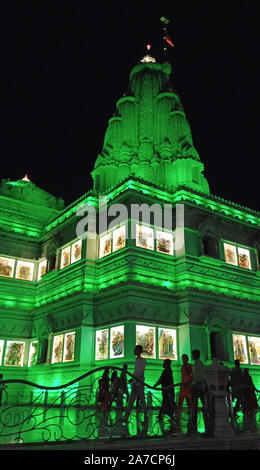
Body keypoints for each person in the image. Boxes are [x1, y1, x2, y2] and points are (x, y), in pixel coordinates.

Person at [124, 345, 148, 422]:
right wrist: (133, 379)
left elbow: (140, 373)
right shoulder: (138, 360)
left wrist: (135, 381)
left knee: (140, 401)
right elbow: (137, 372)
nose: (134, 351)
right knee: (132, 401)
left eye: (136, 349)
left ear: (139, 351)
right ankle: (126, 417)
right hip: (136, 383)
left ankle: (145, 417)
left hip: (139, 384)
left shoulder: (142, 361)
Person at [190, 349, 208, 434]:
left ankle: (194, 421)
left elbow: (197, 377)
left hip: (197, 387)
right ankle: (206, 417)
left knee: (195, 404)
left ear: (195, 355)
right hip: (201, 387)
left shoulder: (197, 365)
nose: (192, 356)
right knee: (203, 402)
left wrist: (194, 383)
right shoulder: (201, 365)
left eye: (192, 354)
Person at [176, 354, 193, 428]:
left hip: (187, 387)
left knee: (189, 402)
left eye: (184, 359)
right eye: (182, 359)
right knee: (180, 402)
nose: (183, 360)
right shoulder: (183, 366)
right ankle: (178, 417)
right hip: (183, 387)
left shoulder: (189, 366)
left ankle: (191, 417)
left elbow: (190, 375)